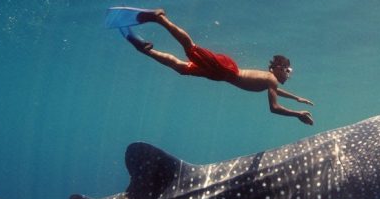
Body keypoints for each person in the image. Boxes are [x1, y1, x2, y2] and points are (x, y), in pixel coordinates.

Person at [126, 9, 314, 125]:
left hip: (223, 74)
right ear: (279, 68)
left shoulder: (270, 81)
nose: (289, 75)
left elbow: (275, 91)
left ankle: (146, 50)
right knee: (190, 48)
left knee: (182, 68)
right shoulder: (271, 80)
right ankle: (160, 18)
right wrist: (297, 114)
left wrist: (297, 98)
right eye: (288, 71)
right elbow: (274, 107)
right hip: (225, 70)